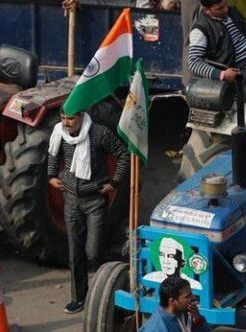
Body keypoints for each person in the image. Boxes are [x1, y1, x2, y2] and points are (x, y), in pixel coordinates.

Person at [46, 108, 129, 314]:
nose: (66, 122)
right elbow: (52, 154)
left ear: (82, 116)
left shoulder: (100, 133)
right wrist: (51, 175)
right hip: (71, 200)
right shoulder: (60, 133)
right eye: (63, 118)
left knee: (93, 252)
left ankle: (111, 287)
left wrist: (114, 183)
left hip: (95, 201)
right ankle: (79, 298)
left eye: (71, 118)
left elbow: (124, 155)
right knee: (75, 252)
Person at [140, 276, 211, 332]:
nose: (193, 297)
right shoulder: (158, 328)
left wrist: (198, 321)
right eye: (187, 296)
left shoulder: (185, 312)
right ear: (172, 301)